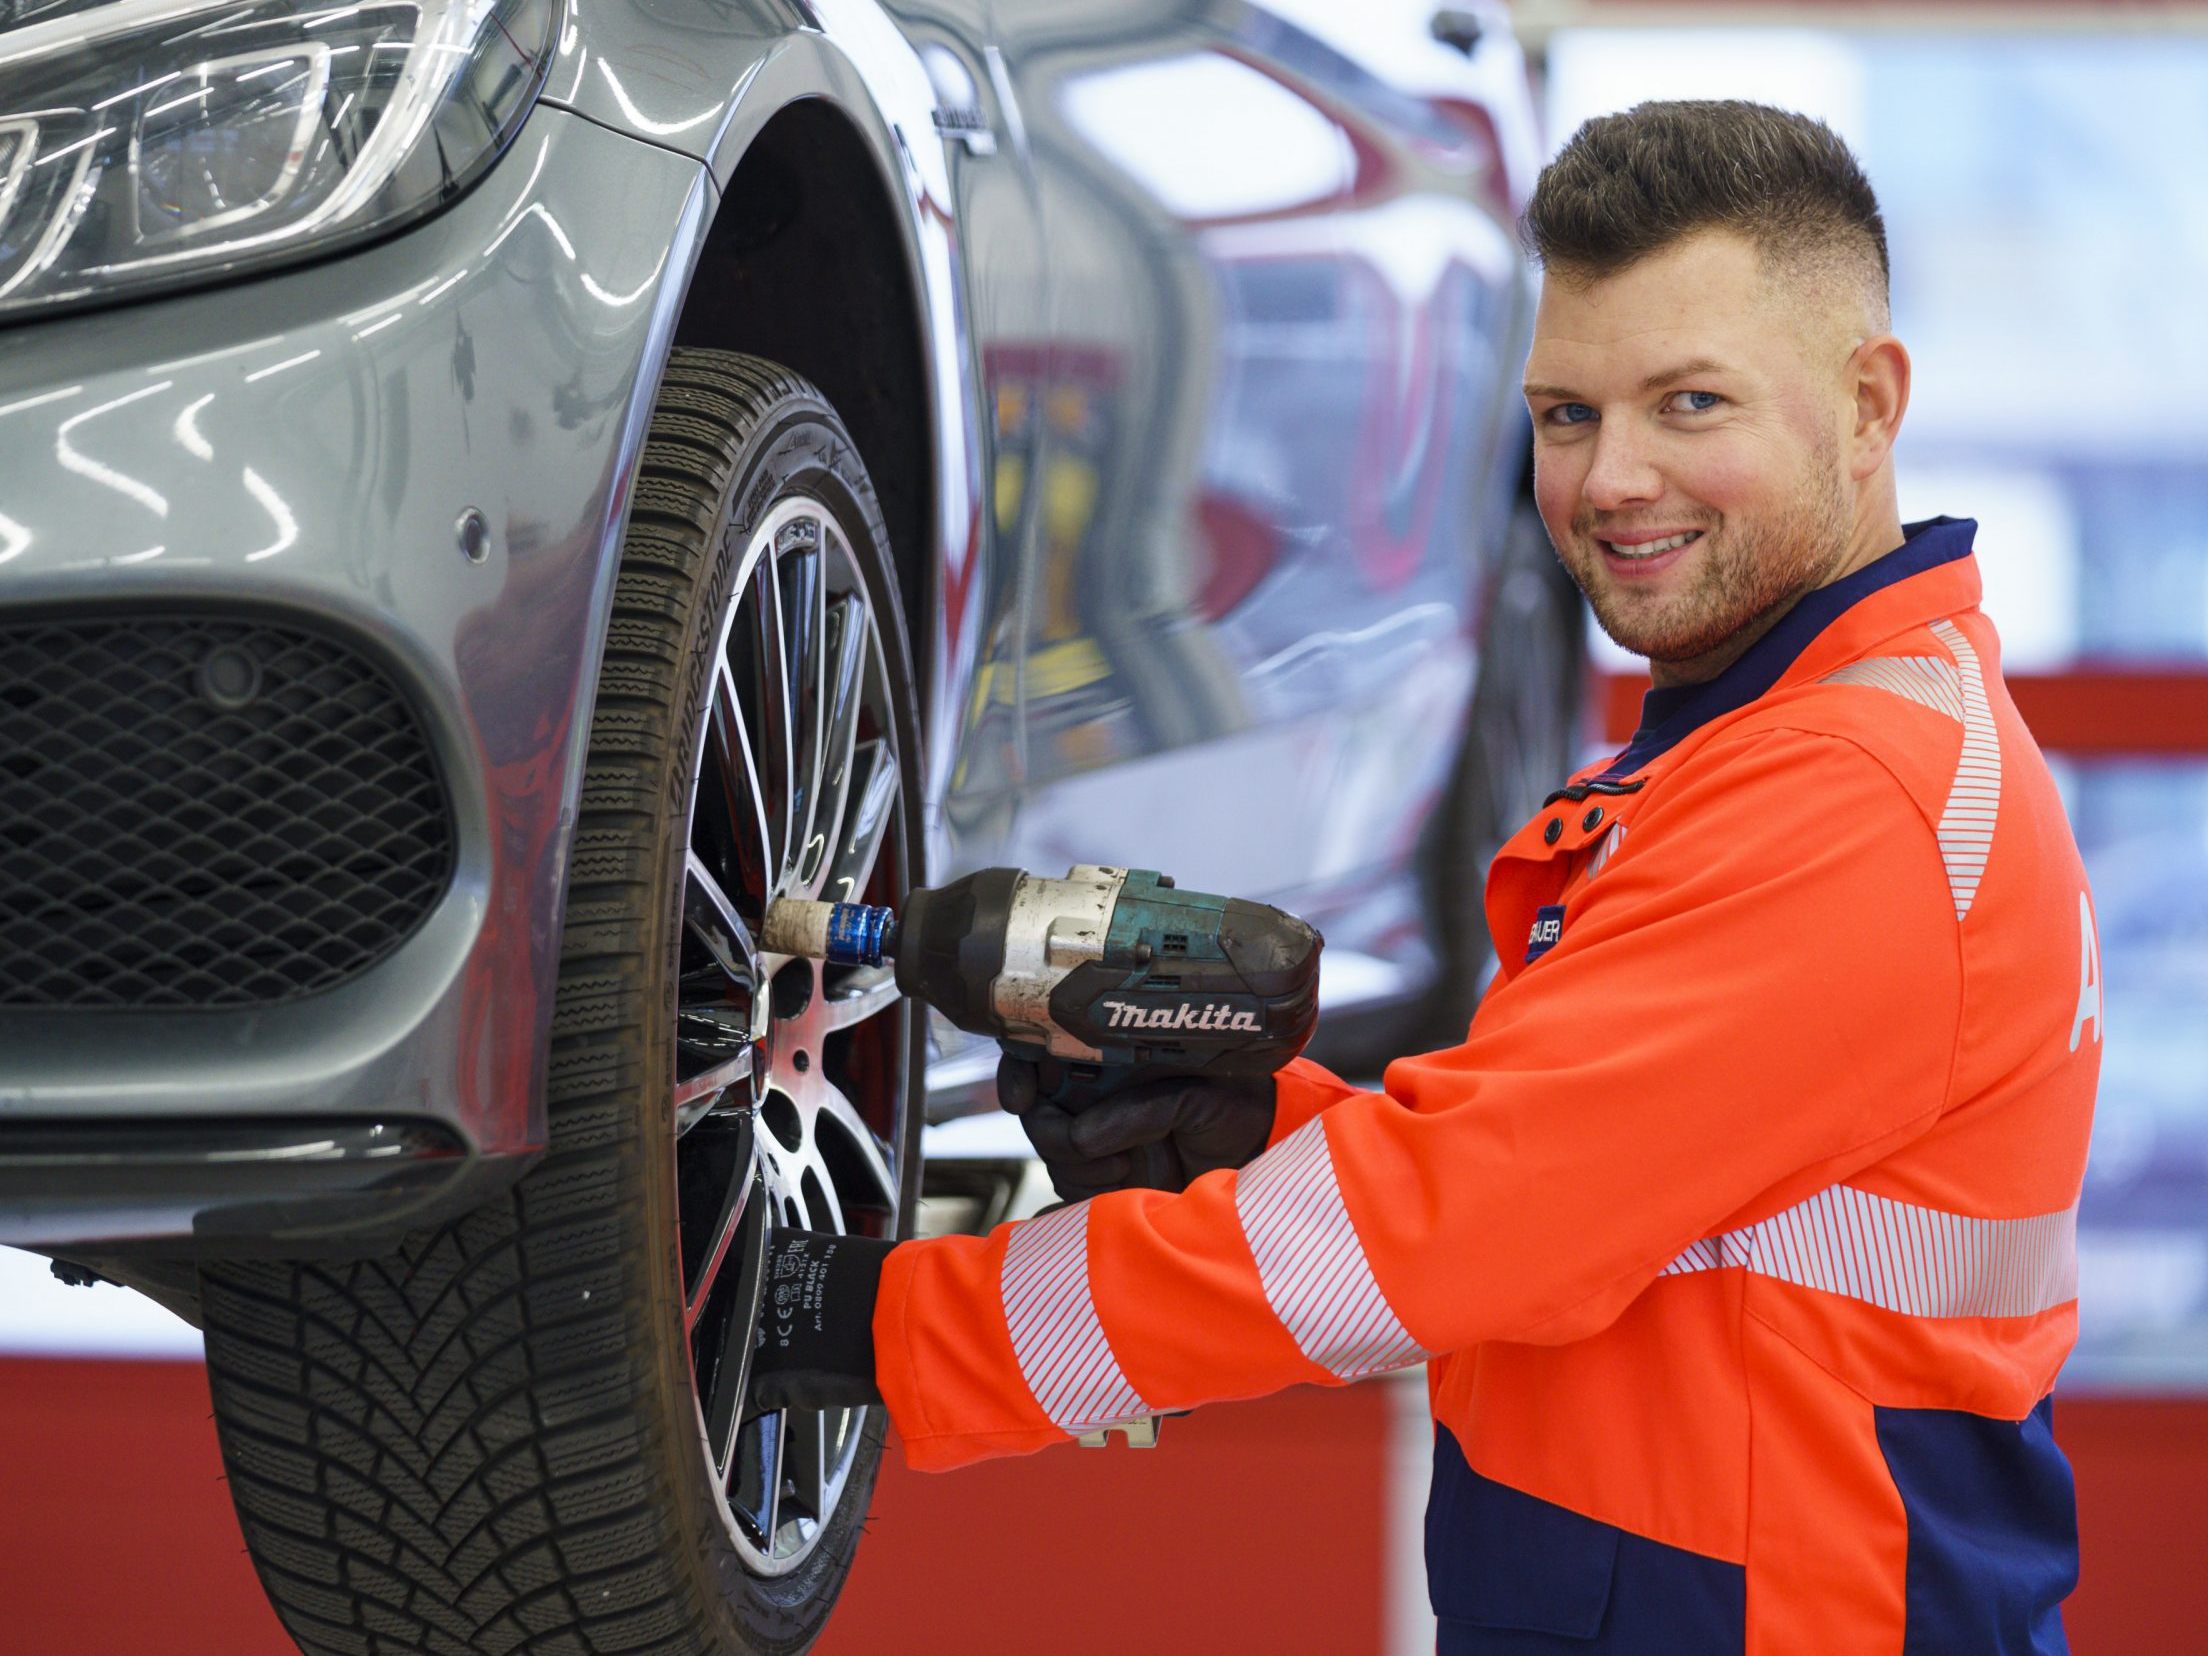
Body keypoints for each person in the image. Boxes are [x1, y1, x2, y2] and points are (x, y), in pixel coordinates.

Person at [753, 100, 2099, 1652]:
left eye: (1691, 403)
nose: (1612, 479)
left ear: (1869, 406)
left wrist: (878, 1322)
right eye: (1566, 414)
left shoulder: (1854, 802)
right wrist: (1254, 1126)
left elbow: (1454, 1231)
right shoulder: (1782, 746)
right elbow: (1605, 1197)